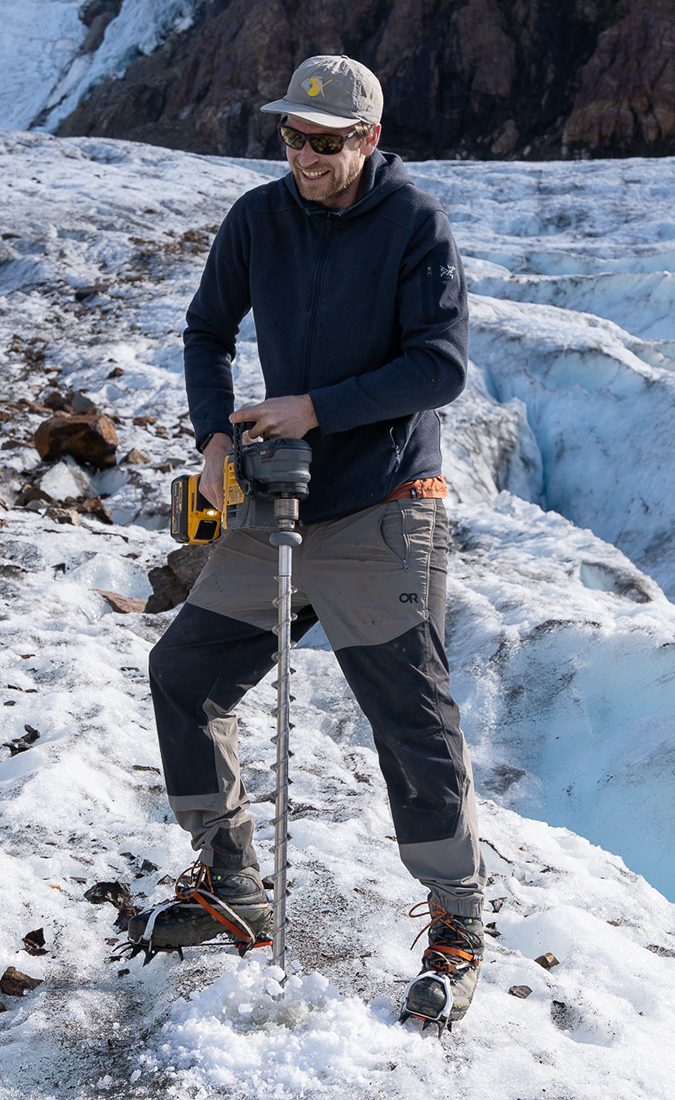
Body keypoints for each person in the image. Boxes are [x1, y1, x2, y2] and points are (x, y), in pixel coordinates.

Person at [135, 54, 487, 1026]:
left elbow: (440, 367)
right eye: (292, 136)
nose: (304, 156)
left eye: (324, 143)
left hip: (383, 504)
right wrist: (216, 433)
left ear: (368, 140)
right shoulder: (260, 218)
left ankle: (457, 924)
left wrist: (311, 407)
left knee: (410, 722)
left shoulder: (415, 227)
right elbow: (207, 329)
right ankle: (232, 877)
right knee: (187, 674)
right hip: (278, 504)